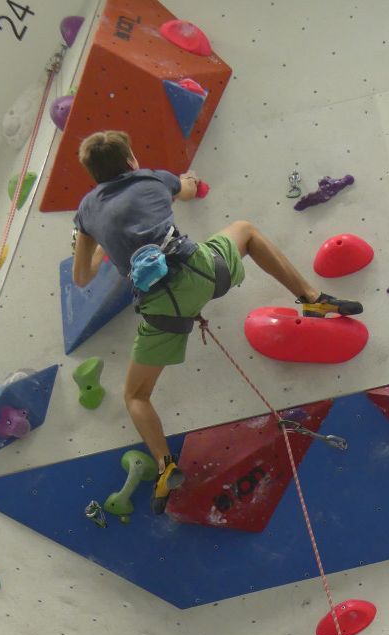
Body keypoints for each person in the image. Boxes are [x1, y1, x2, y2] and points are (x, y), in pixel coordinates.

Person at [72, 130, 363, 513]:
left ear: (93, 176)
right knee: (245, 231)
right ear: (130, 161)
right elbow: (188, 189)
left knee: (136, 395)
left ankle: (164, 465)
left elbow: (82, 276)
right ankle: (313, 299)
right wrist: (189, 182)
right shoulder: (152, 179)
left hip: (162, 309)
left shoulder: (86, 212)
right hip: (202, 273)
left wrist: (98, 248)